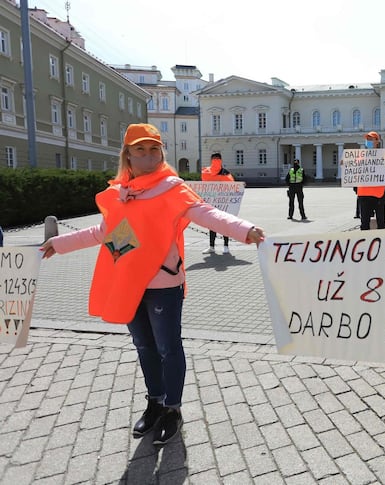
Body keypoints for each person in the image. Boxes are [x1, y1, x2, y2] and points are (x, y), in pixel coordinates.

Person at [40, 123, 265, 446]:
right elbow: (103, 232)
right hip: (128, 282)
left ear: (161, 154)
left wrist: (245, 229)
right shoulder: (121, 194)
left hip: (163, 283)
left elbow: (207, 214)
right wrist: (58, 245)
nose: (147, 156)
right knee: (144, 347)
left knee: (167, 348)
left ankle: (172, 409)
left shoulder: (172, 189)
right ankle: (155, 401)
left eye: (153, 150)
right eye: (140, 150)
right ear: (128, 156)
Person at [357, 131, 385, 230]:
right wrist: (345, 165)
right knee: (364, 223)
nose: (368, 141)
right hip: (364, 194)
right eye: (367, 139)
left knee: (381, 222)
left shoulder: (384, 156)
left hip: (379, 194)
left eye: (371, 139)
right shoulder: (361, 156)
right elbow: (355, 173)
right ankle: (365, 244)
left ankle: (383, 243)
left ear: (377, 141)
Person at [200, 152, 234, 254]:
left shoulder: (225, 172)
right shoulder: (207, 172)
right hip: (212, 203)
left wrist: (240, 186)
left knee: (224, 224)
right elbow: (202, 187)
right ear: (211, 160)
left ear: (220, 160)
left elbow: (232, 186)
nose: (215, 161)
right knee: (212, 225)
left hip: (223, 204)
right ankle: (212, 246)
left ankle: (226, 246)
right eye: (214, 159)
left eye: (217, 159)